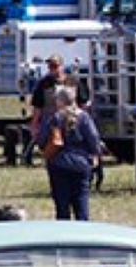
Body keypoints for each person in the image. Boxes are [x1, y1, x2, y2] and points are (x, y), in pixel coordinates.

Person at [38, 86, 102, 221]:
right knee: (81, 201)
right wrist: (95, 156)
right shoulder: (84, 117)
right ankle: (83, 233)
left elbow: (42, 140)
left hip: (58, 164)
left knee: (62, 206)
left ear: (60, 101)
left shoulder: (55, 118)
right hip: (81, 164)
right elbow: (94, 139)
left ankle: (64, 235)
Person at [27, 55, 88, 166]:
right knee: (53, 144)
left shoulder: (73, 81)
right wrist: (34, 125)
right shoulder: (43, 84)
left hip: (71, 120)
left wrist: (83, 121)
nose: (52, 69)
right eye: (50, 67)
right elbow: (37, 107)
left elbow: (82, 103)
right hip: (51, 121)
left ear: (62, 66)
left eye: (55, 66)